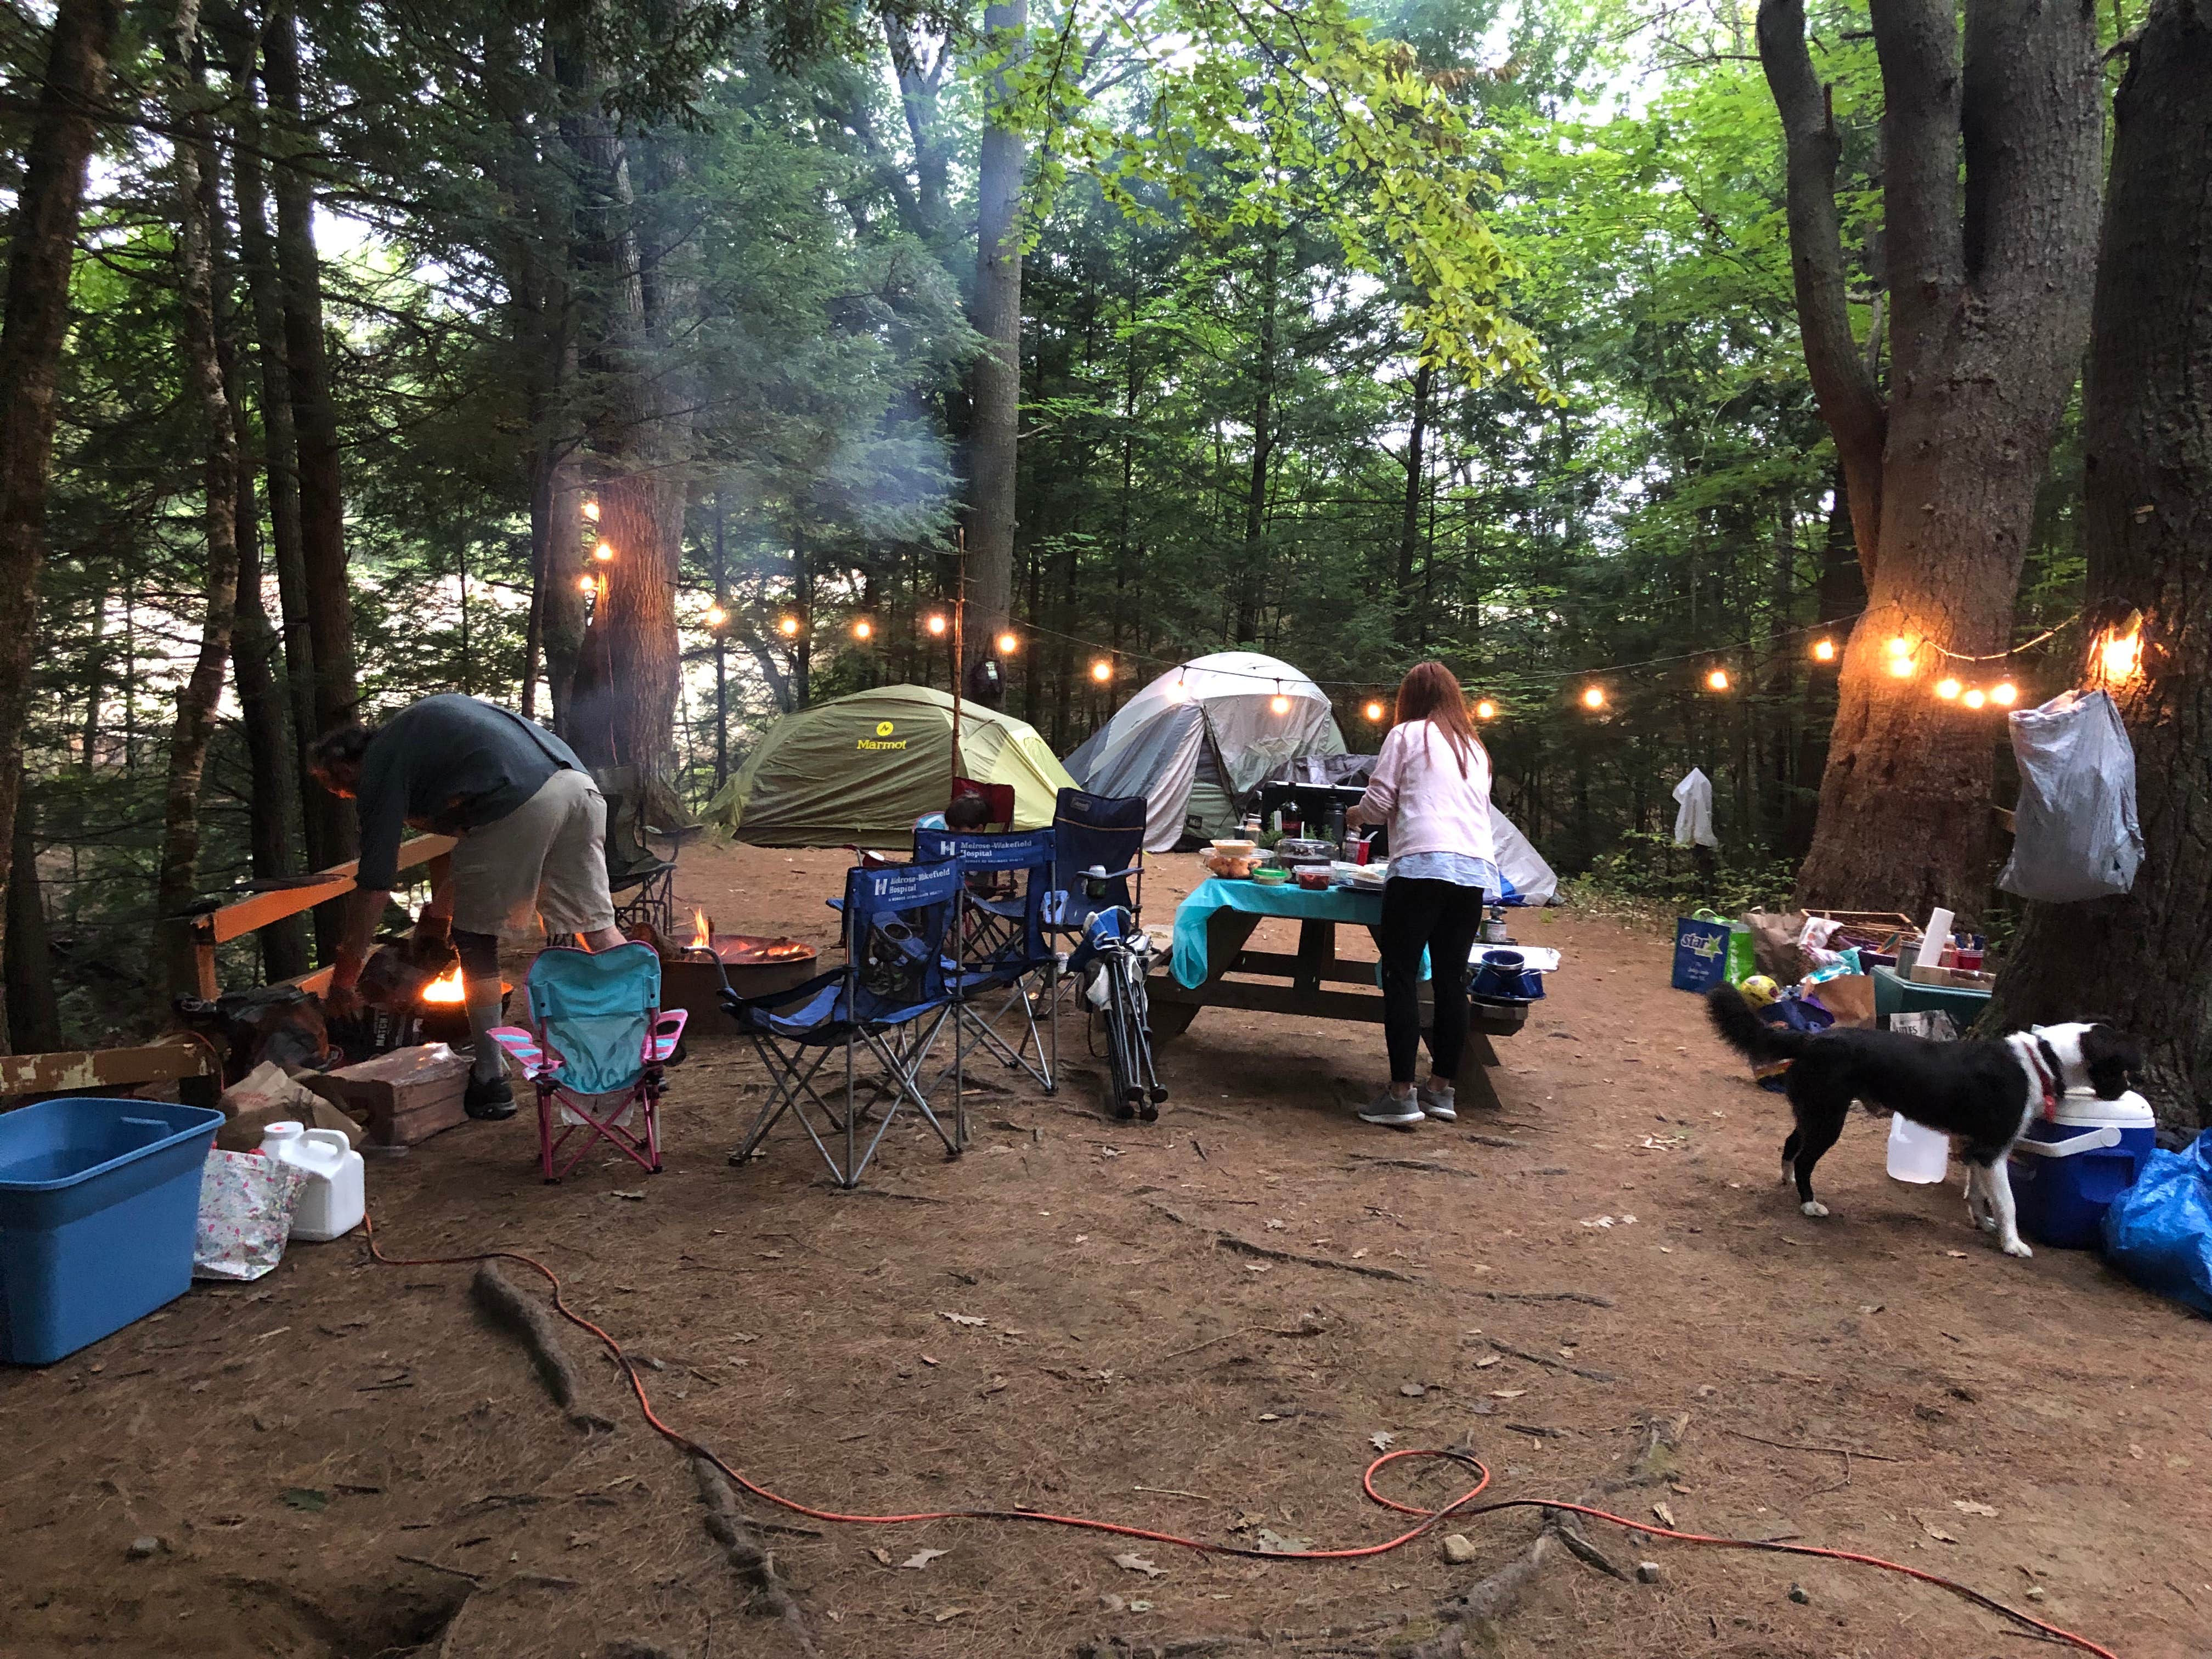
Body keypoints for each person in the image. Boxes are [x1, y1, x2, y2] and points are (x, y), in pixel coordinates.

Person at [308, 694, 627, 1120]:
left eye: (336, 787)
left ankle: (491, 1079)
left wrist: (345, 976)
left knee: (475, 940)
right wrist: (435, 920)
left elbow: (376, 878)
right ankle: (645, 1028)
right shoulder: (422, 738)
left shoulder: (382, 764)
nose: (342, 796)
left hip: (520, 802)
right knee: (597, 924)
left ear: (345, 765)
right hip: (579, 788)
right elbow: (476, 846)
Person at [1345, 662, 1499, 1130]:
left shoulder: (1407, 735)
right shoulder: (1475, 748)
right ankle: (1441, 1090)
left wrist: (1353, 816)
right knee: (1452, 979)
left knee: (1401, 974)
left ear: (1409, 699)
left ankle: (1400, 1095)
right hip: (1472, 869)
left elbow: (1380, 803)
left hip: (1421, 866)